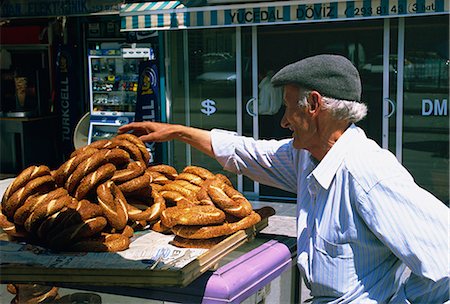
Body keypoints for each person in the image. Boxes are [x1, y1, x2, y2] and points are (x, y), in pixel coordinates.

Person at [119, 54, 449, 303]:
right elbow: (245, 151)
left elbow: (444, 258)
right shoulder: (305, 157)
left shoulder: (368, 173)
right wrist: (176, 132)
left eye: (288, 108)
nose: (283, 121)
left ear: (314, 106)